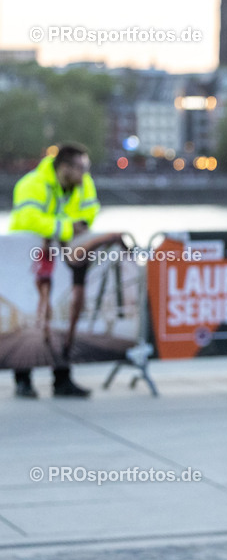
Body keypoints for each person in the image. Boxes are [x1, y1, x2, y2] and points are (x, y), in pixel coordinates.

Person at [9, 143, 123, 398]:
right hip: (34, 257)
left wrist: (77, 226)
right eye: (81, 168)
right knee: (34, 312)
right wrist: (69, 228)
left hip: (66, 256)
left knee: (63, 317)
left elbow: (90, 210)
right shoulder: (32, 183)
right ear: (65, 167)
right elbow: (27, 220)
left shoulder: (84, 184)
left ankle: (62, 379)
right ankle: (23, 380)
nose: (85, 174)